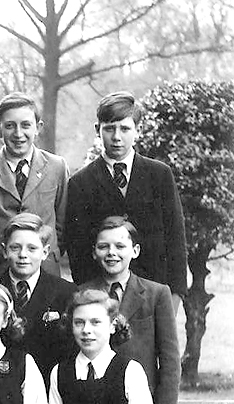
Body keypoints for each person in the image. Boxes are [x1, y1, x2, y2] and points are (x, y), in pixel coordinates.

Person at [66, 91, 187, 308]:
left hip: (153, 292)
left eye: (125, 128)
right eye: (109, 129)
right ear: (97, 130)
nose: (117, 137)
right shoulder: (81, 182)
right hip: (101, 296)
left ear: (137, 130)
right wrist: (90, 296)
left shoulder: (159, 175)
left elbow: (175, 237)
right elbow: (78, 248)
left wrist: (175, 295)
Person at [81, 216, 180, 404]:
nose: (111, 253)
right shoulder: (83, 294)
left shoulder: (156, 293)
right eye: (103, 246)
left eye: (120, 246)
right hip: (97, 402)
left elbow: (169, 353)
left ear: (134, 251)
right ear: (94, 252)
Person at [0, 92, 68, 276]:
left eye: (26, 125)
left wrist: (48, 254)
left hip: (45, 269)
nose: (18, 134)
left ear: (38, 127)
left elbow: (63, 224)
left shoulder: (57, 167)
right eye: (10, 126)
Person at [0, 213, 77, 387]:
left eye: (32, 248)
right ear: (4, 251)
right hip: (0, 384)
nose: (23, 255)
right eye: (15, 248)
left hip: (48, 384)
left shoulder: (66, 292)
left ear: (45, 252)